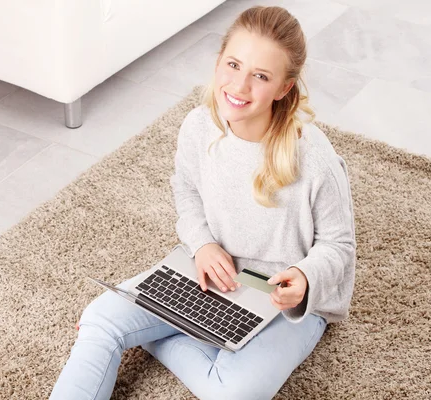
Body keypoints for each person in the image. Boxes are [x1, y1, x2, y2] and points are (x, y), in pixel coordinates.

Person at [50, 5, 356, 400]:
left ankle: (158, 335)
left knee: (233, 394)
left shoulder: (314, 158)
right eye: (233, 64)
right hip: (210, 271)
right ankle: (172, 324)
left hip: (283, 300)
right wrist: (203, 244)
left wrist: (305, 278)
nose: (239, 86)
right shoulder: (198, 126)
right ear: (218, 60)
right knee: (99, 319)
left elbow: (339, 245)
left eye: (260, 76)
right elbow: (187, 191)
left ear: (284, 88)